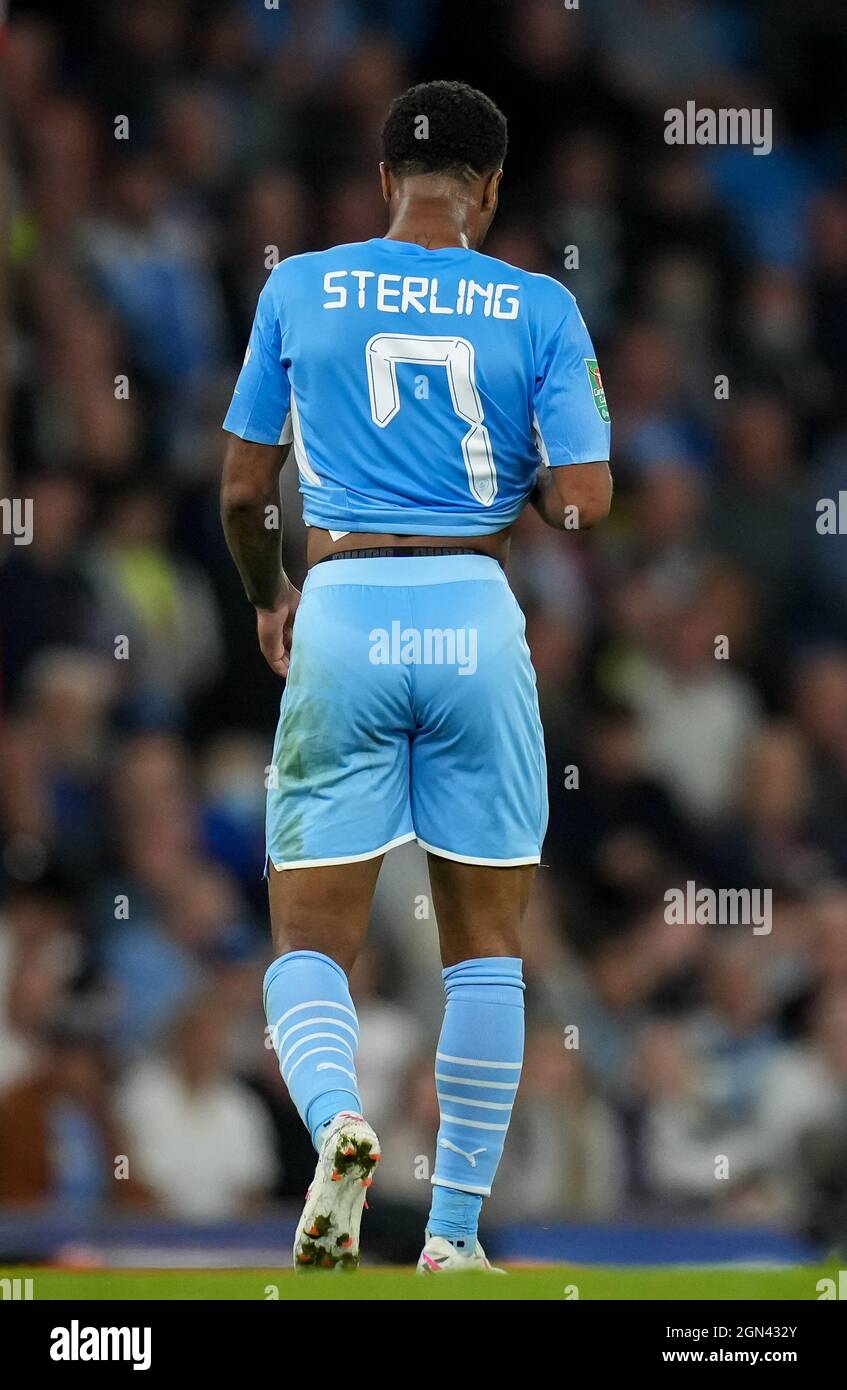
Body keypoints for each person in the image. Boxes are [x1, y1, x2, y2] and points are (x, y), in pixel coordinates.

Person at [220, 80, 612, 1272]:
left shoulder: (298, 286)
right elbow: (584, 503)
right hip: (473, 611)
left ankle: (340, 1120)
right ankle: (452, 1237)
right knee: (486, 941)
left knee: (309, 934)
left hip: (340, 603)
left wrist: (267, 595)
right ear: (489, 189)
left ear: (385, 177)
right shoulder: (540, 305)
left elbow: (243, 492)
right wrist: (537, 483)